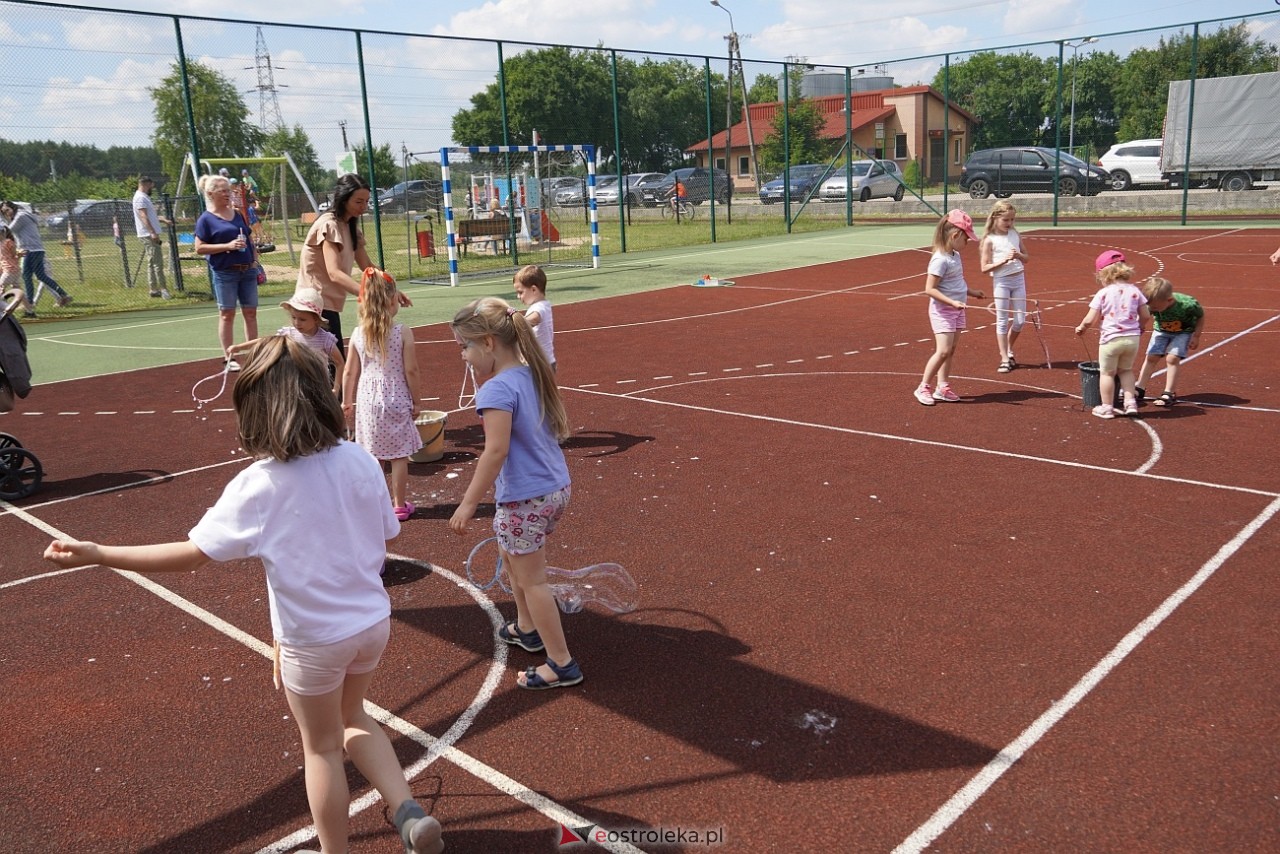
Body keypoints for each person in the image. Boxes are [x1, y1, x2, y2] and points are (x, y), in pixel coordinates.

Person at [41, 338, 444, 854]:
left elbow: (190, 555)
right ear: (322, 397)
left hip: (314, 641)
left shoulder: (259, 484)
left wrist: (100, 552)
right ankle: (406, 808)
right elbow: (387, 533)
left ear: (255, 409)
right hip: (371, 625)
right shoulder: (359, 460)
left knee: (321, 748)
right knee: (355, 716)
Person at [448, 296, 580, 691]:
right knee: (512, 553)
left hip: (526, 498)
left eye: (465, 347)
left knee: (533, 580)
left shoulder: (495, 390)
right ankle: (526, 628)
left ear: (488, 343)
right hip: (553, 488)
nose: (463, 357)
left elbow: (495, 450)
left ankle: (561, 663)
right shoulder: (530, 373)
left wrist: (469, 501)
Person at [298, 173, 411, 358]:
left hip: (328, 305)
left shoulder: (350, 228)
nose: (364, 206)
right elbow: (334, 273)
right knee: (331, 367)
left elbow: (367, 266)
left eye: (366, 201)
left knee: (334, 366)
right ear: (343, 198)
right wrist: (369, 295)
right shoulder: (329, 225)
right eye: (359, 201)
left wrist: (390, 290)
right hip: (313, 306)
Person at [341, 268, 422, 522]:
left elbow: (349, 373)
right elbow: (411, 370)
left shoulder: (357, 334)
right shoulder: (401, 332)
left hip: (367, 399)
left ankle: (376, 504)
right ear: (390, 300)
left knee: (373, 454)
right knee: (398, 454)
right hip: (396, 395)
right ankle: (399, 505)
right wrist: (417, 400)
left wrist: (346, 400)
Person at [914, 209, 983, 406]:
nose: (968, 242)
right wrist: (952, 302)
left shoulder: (955, 255)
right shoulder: (940, 259)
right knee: (943, 351)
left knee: (951, 350)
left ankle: (942, 387)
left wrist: (971, 292)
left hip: (958, 310)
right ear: (955, 236)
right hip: (943, 311)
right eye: (966, 239)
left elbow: (957, 284)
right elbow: (929, 289)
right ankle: (923, 387)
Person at [1074, 249, 1152, 419]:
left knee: (1107, 373)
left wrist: (1082, 328)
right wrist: (1139, 326)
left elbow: (1090, 319)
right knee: (1126, 371)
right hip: (1132, 339)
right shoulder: (1134, 291)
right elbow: (1146, 314)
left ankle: (1107, 407)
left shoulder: (1102, 293)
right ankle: (1130, 403)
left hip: (1110, 340)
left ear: (1103, 274)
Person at [228, 288, 345, 397]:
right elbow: (265, 341)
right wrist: (239, 347)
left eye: (302, 319)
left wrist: (336, 387)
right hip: (294, 384)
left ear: (316, 319)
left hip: (318, 386)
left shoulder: (324, 339)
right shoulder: (289, 334)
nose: (297, 323)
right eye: (294, 318)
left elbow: (339, 363)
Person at [195, 173, 258, 372]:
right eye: (223, 191)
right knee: (227, 314)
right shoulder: (206, 219)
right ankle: (229, 357)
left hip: (247, 270)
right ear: (210, 193)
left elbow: (249, 239)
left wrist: (255, 259)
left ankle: (254, 355)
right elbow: (200, 248)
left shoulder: (237, 214)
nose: (227, 195)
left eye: (228, 191)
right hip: (225, 273)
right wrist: (227, 246)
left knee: (250, 312)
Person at [1134, 276, 1204, 407]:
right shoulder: (1152, 304)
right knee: (1151, 357)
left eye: (1155, 307)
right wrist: (1139, 325)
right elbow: (1145, 315)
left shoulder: (1188, 304)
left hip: (1183, 332)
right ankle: (1140, 387)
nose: (1152, 309)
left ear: (1169, 300)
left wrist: (1196, 336)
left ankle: (1169, 392)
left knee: (1172, 359)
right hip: (1161, 330)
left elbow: (1200, 316)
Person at [978, 200, 1029, 372]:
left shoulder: (1015, 234)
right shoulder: (989, 240)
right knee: (1001, 320)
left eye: (1012, 220)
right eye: (1006, 220)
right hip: (1002, 281)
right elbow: (984, 268)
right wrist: (1003, 260)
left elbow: (1027, 258)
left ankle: (1008, 348)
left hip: (1019, 279)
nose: (1010, 223)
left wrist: (1019, 255)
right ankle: (1004, 357)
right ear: (995, 219)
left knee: (1020, 320)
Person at [0, 200, 73, 318]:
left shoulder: (21, 216)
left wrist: (2, 219)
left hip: (31, 250)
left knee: (27, 276)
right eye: (4, 212)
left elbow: (9, 230)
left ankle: (30, 305)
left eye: (7, 210)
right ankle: (63, 295)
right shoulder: (20, 216)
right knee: (41, 276)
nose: (7, 213)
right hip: (34, 249)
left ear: (13, 207)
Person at [132, 176, 171, 299]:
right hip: (148, 235)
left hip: (148, 233)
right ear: (146, 184)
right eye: (151, 186)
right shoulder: (140, 198)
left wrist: (163, 219)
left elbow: (150, 216)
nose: (151, 189)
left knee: (151, 262)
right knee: (158, 263)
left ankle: (153, 289)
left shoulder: (144, 198)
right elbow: (143, 216)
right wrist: (152, 233)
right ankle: (163, 289)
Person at [513, 264, 555, 371]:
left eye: (520, 292)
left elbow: (535, 318)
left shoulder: (540, 307)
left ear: (533, 290)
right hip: (540, 363)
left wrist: (516, 323)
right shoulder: (542, 305)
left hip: (541, 365)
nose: (518, 296)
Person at [0, 224, 20, 292]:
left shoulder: (8, 242)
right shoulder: (1, 243)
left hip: (10, 270)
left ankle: (3, 302)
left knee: (1, 287)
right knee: (17, 290)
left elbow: (14, 254)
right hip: (12, 270)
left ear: (2, 232)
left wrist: (18, 254)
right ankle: (26, 302)